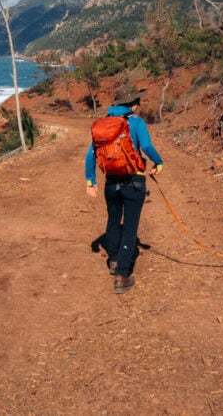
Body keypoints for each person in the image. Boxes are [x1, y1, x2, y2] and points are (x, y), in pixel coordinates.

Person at [85, 83, 164, 294]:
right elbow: (146, 147)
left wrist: (90, 180)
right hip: (133, 181)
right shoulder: (136, 122)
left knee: (112, 220)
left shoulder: (104, 124)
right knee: (129, 227)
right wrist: (159, 162)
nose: (139, 104)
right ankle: (121, 274)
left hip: (111, 182)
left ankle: (113, 260)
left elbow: (90, 155)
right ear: (133, 104)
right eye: (137, 101)